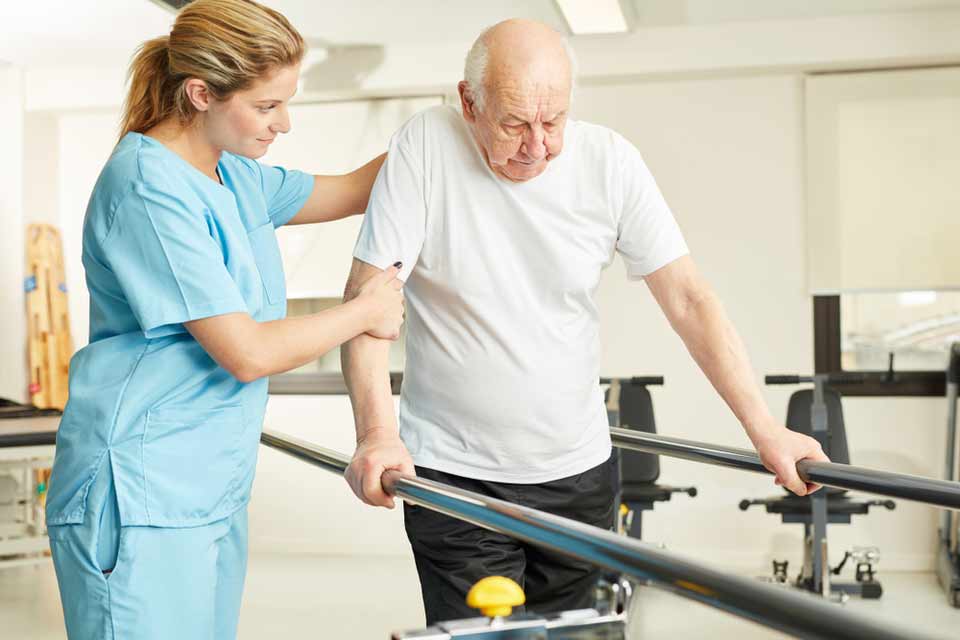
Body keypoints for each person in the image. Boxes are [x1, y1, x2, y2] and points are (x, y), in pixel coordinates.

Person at [340, 19, 829, 625]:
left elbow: (688, 300)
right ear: (469, 102)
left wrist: (765, 429)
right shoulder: (425, 146)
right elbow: (366, 302)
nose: (538, 146)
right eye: (514, 124)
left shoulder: (612, 162)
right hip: (455, 477)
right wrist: (376, 434)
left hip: (579, 474)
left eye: (554, 121)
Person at [44, 1, 403, 638]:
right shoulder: (147, 187)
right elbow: (247, 352)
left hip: (207, 488)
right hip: (139, 492)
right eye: (267, 107)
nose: (283, 123)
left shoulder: (235, 176)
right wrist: (363, 312)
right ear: (201, 93)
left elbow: (354, 188)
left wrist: (446, 132)